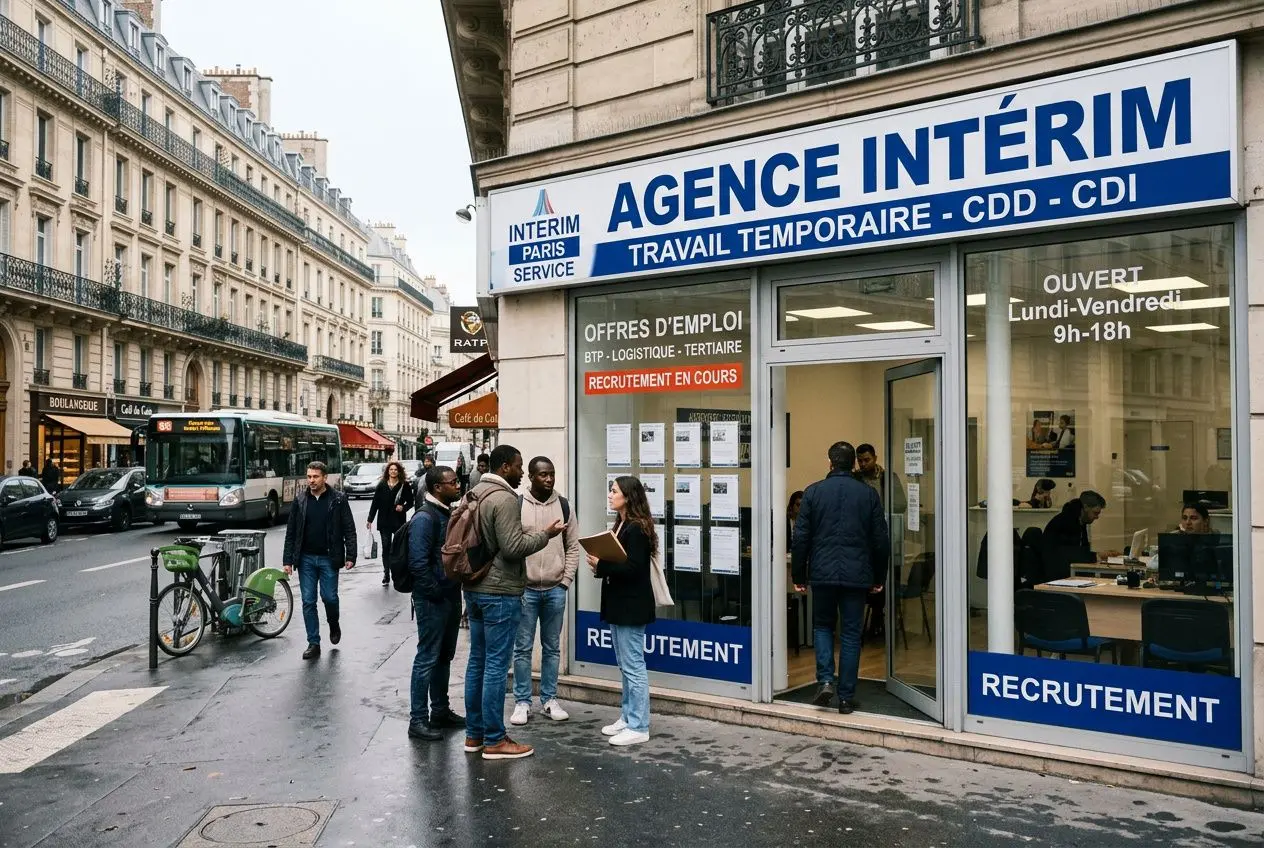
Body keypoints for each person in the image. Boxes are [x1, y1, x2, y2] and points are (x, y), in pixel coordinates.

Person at [464, 444, 563, 760]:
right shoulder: (504, 498)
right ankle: (495, 740)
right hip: (499, 592)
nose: (522, 472)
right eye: (519, 466)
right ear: (505, 466)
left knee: (477, 662)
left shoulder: (475, 493)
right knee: (495, 665)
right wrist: (545, 535)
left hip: (475, 589)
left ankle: (474, 735)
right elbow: (512, 547)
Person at [792, 441, 890, 715]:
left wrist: (800, 574)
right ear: (853, 463)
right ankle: (846, 697)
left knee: (822, 627)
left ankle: (825, 681)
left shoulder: (812, 493)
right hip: (857, 575)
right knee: (850, 634)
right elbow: (880, 540)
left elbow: (800, 538)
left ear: (830, 463)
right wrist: (879, 575)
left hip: (822, 574)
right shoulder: (868, 495)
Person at [511, 457, 582, 727]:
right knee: (523, 648)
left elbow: (573, 546)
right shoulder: (517, 505)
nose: (549, 479)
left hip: (555, 588)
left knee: (552, 648)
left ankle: (550, 699)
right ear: (531, 477)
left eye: (551, 474)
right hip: (526, 590)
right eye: (543, 475)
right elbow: (512, 545)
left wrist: (566, 581)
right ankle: (522, 702)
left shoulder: (564, 505)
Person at [586, 475, 656, 746]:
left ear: (628, 496)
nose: (609, 494)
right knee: (625, 665)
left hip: (631, 606)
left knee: (634, 666)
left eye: (613, 491)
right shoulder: (623, 523)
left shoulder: (637, 528)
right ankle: (628, 717)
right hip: (620, 604)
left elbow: (634, 568)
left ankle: (639, 725)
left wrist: (601, 565)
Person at [407, 465, 466, 741]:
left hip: (449, 594)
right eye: (453, 483)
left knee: (444, 656)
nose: (458, 486)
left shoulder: (445, 512)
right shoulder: (424, 518)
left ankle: (439, 710)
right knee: (427, 657)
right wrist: (436, 592)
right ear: (437, 488)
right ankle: (417, 719)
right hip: (433, 599)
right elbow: (418, 564)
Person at [282, 461, 358, 660]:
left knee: (329, 597)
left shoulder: (338, 499)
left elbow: (349, 528)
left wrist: (351, 555)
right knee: (308, 601)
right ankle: (313, 642)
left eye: (315, 477)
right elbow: (291, 532)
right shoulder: (300, 500)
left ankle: (333, 623)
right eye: (309, 477)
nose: (311, 480)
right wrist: (288, 560)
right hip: (305, 559)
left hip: (328, 557)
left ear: (325, 477)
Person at [1040, 490, 1106, 582]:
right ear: (1086, 507)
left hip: (1064, 572)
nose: (1097, 517)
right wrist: (1096, 556)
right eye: (1095, 513)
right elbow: (1068, 553)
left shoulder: (1078, 521)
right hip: (1057, 576)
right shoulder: (1065, 523)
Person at [367, 461, 415, 585]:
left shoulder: (404, 485)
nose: (393, 471)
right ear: (388, 471)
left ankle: (398, 572)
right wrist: (370, 519)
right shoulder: (382, 485)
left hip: (398, 521)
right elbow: (375, 503)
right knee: (386, 547)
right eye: (391, 469)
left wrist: (403, 508)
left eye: (395, 469)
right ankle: (386, 573)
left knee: (398, 548)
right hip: (384, 522)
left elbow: (411, 502)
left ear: (399, 472)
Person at [854, 444, 907, 514]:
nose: (863, 464)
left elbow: (901, 505)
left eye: (867, 460)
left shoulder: (888, 477)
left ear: (875, 458)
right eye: (860, 461)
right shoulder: (855, 478)